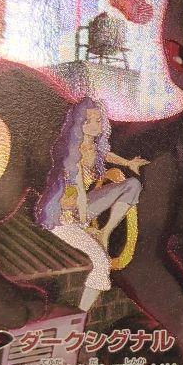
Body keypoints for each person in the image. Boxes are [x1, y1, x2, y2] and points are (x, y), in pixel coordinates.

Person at [36, 98, 148, 311]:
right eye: (88, 121)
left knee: (132, 185)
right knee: (101, 261)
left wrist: (128, 163)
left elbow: (104, 154)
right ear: (78, 123)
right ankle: (81, 314)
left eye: (98, 120)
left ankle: (106, 232)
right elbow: (78, 190)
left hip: (82, 208)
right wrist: (85, 225)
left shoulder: (93, 146)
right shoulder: (73, 152)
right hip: (62, 218)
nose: (95, 126)